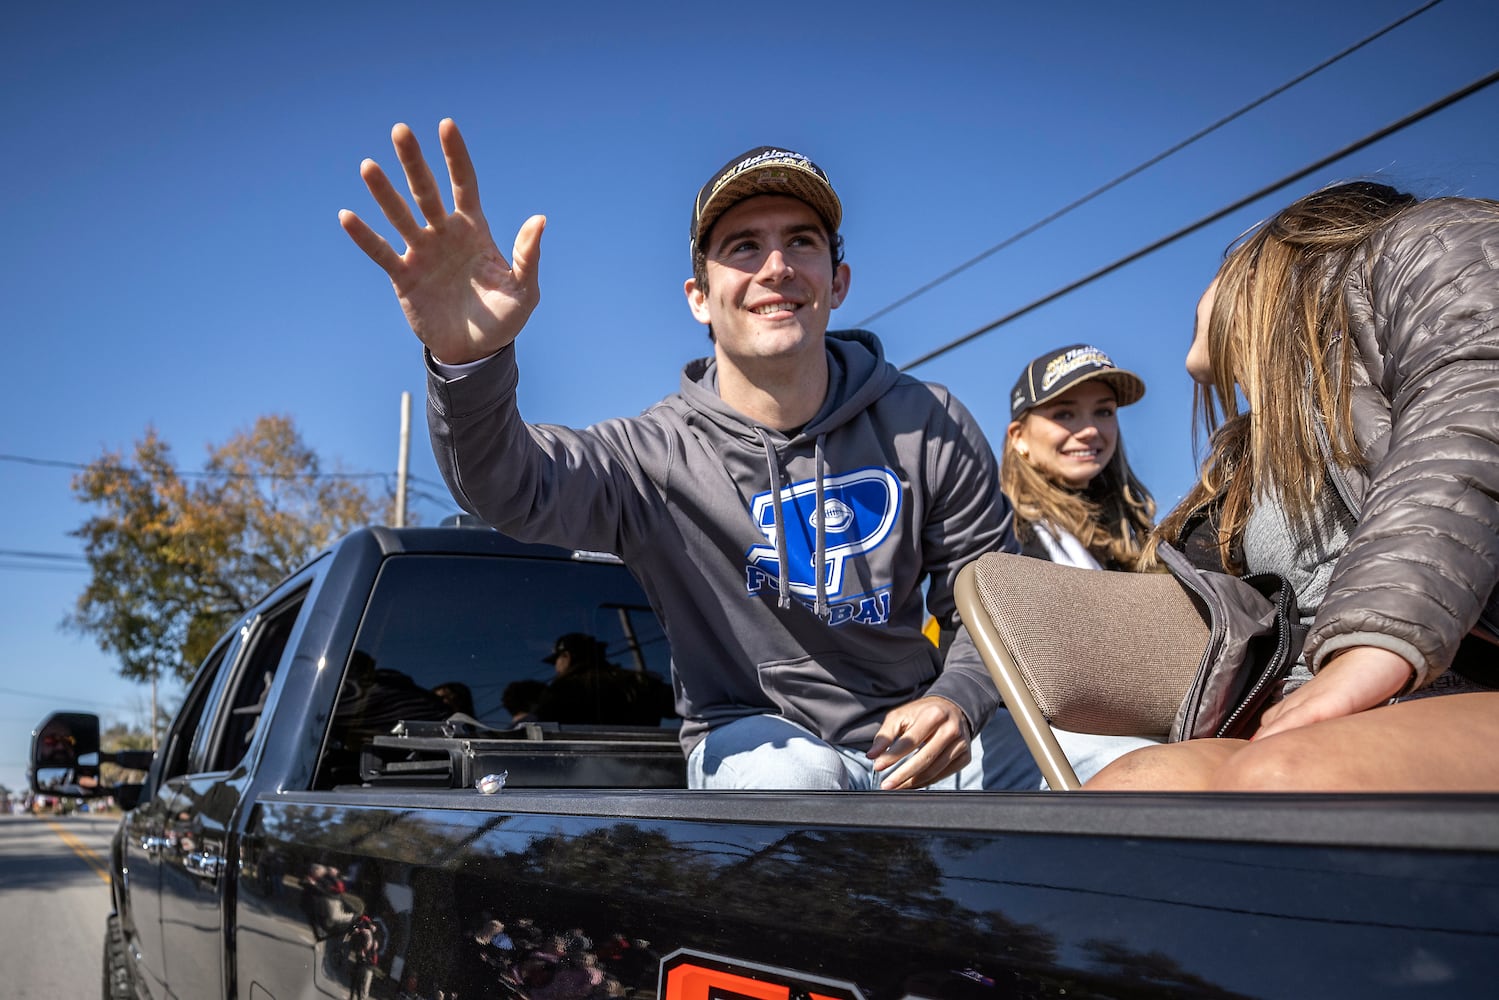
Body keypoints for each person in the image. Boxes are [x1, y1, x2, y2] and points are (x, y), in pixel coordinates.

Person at [339, 120, 1037, 790]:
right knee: (799, 778)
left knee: (1112, 761)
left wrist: (960, 696)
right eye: (742, 247)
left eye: (801, 241)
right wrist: (471, 360)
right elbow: (510, 487)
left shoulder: (927, 420)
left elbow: (992, 600)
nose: (776, 267)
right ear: (698, 298)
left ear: (838, 281)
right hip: (753, 746)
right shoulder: (652, 458)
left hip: (919, 744)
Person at [1087, 181, 1499, 792]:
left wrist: (1371, 648)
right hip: (1323, 710)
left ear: (1264, 260)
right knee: (1133, 789)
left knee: (1282, 781)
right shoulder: (1254, 451)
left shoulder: (1425, 245)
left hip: (1442, 678)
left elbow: (1471, 413)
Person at [1002, 344, 1161, 782]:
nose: (1090, 430)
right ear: (1019, 437)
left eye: (1104, 412)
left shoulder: (1136, 540)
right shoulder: (1003, 534)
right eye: (1065, 414)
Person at [533, 632, 675, 726]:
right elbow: (682, 707)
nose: (556, 667)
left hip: (587, 768)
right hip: (650, 764)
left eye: (556, 660)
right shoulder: (640, 681)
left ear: (566, 656)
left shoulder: (562, 690)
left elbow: (544, 729)